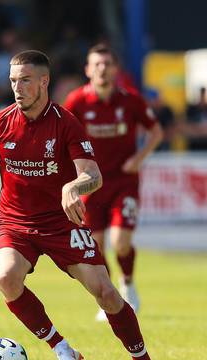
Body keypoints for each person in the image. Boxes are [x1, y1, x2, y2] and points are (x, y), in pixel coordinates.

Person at [0, 50, 150, 360]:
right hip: (14, 223)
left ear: (44, 81)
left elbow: (92, 175)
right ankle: (62, 349)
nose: (18, 88)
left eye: (26, 81)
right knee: (5, 277)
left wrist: (74, 186)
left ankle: (141, 357)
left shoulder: (65, 123)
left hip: (62, 224)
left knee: (107, 294)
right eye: (13, 81)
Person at [63, 44, 163, 320]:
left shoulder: (131, 100)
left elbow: (156, 131)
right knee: (94, 244)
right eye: (96, 64)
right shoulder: (77, 102)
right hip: (90, 184)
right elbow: (62, 135)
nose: (102, 69)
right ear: (87, 69)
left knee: (120, 241)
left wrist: (139, 158)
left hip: (123, 182)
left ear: (115, 69)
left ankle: (128, 285)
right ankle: (109, 297)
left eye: (107, 63)